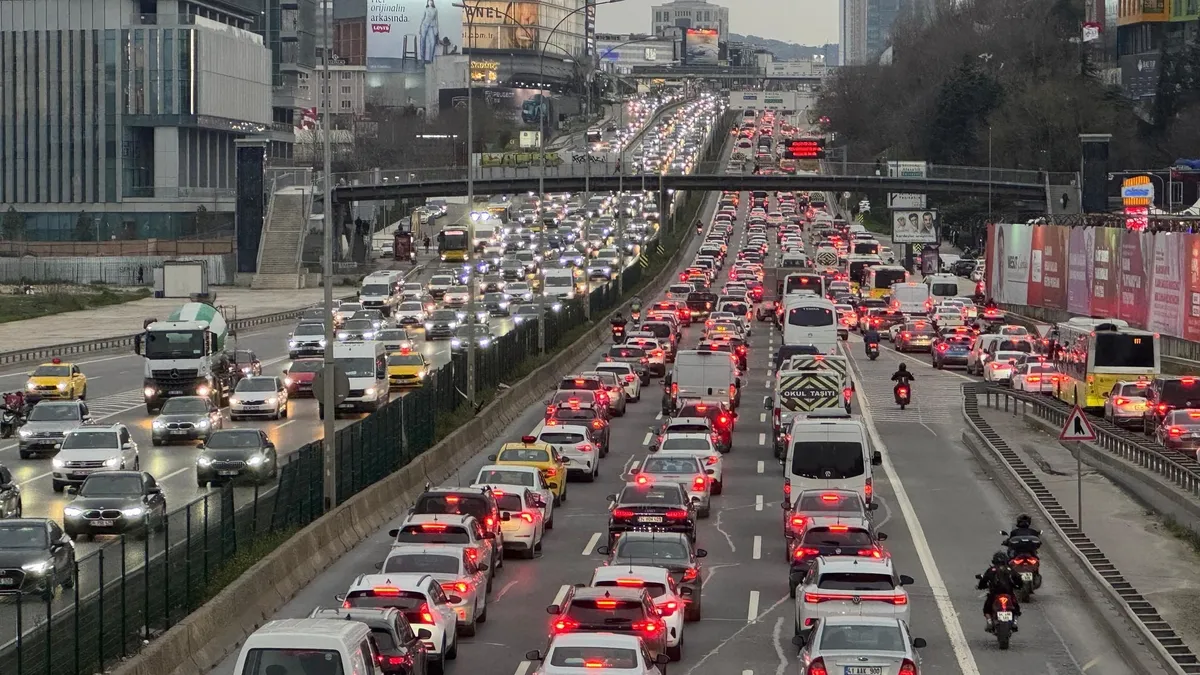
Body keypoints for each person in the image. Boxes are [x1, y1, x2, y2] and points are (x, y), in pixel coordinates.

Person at [977, 550, 1023, 630]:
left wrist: (981, 586)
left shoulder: (991, 570)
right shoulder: (1010, 569)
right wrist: (1019, 586)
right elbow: (1018, 579)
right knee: (1016, 607)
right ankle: (1015, 621)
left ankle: (989, 621)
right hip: (1009, 593)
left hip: (995, 594)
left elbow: (984, 580)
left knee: (987, 608)